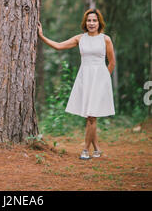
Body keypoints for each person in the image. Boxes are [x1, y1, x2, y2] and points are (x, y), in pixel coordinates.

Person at [38, 8, 115, 160]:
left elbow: (111, 62)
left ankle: (86, 150)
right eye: (89, 20)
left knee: (92, 116)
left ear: (99, 22)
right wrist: (41, 36)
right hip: (85, 78)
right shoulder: (80, 38)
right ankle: (97, 149)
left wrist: (104, 80)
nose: (91, 23)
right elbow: (59, 46)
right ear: (85, 23)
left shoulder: (105, 39)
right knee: (90, 116)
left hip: (99, 79)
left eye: (94, 20)